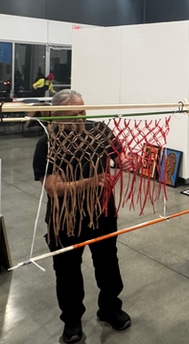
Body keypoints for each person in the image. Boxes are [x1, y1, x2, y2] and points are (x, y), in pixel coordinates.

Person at [33, 90, 131, 343]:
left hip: (102, 212)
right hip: (65, 219)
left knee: (108, 263)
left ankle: (110, 307)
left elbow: (119, 155)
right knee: (67, 272)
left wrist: (126, 161)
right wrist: (91, 181)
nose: (80, 119)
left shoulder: (99, 130)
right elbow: (52, 187)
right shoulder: (47, 143)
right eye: (73, 115)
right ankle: (72, 320)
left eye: (82, 112)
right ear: (56, 115)